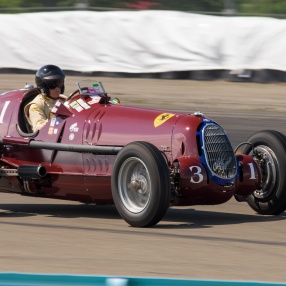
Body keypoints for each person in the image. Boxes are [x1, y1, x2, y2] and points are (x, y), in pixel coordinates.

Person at [24, 64, 67, 132]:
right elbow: (38, 127)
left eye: (60, 83)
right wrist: (56, 119)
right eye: (52, 84)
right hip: (50, 139)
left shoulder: (64, 100)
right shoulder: (36, 106)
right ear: (43, 87)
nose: (57, 88)